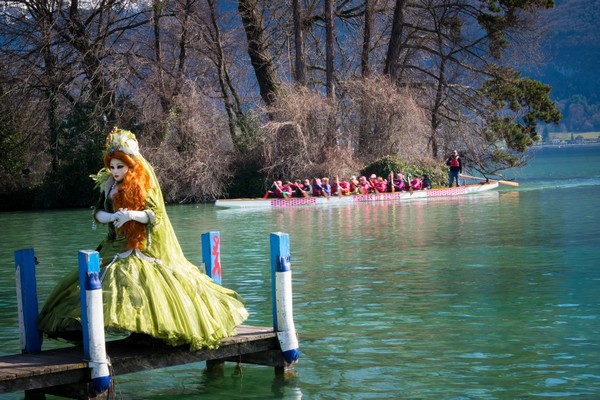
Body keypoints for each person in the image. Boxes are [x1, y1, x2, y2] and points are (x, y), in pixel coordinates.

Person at [37, 128, 249, 350]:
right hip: (114, 245)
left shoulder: (143, 184)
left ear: (130, 165)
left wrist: (129, 214)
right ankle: (103, 328)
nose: (115, 171)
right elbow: (98, 213)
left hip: (140, 245)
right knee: (102, 281)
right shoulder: (109, 184)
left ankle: (148, 331)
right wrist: (112, 216)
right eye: (112, 166)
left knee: (138, 281)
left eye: (120, 166)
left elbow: (154, 215)